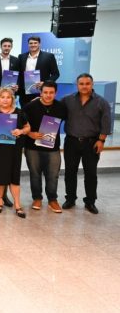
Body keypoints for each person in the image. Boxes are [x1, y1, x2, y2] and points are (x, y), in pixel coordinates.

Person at [61, 73, 112, 214]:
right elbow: (56, 112)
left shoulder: (102, 102)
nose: (84, 86)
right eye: (81, 84)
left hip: (92, 143)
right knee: (70, 172)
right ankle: (70, 199)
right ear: (77, 85)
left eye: (87, 83)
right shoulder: (67, 100)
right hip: (71, 142)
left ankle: (90, 201)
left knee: (91, 173)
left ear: (92, 84)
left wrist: (101, 141)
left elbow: (106, 123)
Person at [23, 81, 67, 213]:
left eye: (51, 92)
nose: (48, 95)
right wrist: (30, 133)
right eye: (45, 92)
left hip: (53, 147)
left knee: (53, 174)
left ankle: (52, 200)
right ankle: (37, 198)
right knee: (35, 174)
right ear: (40, 93)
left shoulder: (61, 107)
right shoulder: (30, 107)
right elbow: (20, 124)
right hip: (32, 147)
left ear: (56, 93)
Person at [0, 88, 30, 218]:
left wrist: (20, 131)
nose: (5, 100)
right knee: (0, 175)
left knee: (14, 177)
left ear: (12, 99)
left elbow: (28, 127)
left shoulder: (19, 112)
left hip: (14, 149)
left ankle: (17, 205)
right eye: (2, 97)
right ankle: (0, 201)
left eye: (8, 97)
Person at [18, 35, 60, 107]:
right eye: (31, 43)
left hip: (40, 91)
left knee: (40, 112)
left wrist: (45, 83)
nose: (33, 45)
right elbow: (19, 74)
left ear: (39, 44)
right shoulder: (21, 57)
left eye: (35, 43)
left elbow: (56, 74)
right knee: (24, 112)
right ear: (28, 44)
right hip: (24, 93)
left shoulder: (49, 56)